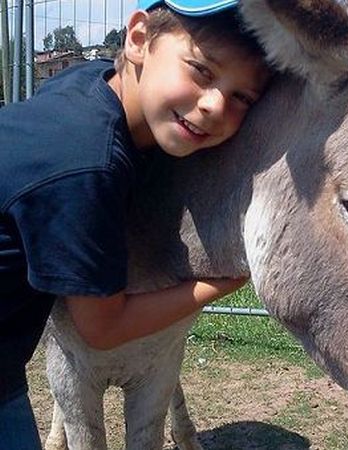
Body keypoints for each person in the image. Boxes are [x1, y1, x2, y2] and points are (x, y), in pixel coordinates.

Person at [0, 0, 270, 448]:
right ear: (139, 39)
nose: (215, 105)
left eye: (242, 96)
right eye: (202, 70)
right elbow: (102, 329)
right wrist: (224, 282)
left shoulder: (89, 83)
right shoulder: (90, 163)